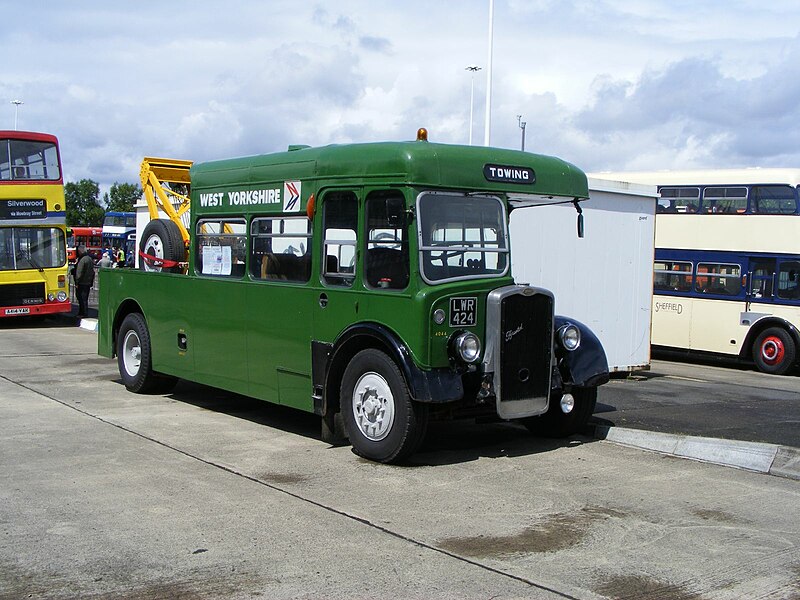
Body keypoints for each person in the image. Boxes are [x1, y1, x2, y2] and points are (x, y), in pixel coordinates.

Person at [73, 245, 95, 318]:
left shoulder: (82, 260)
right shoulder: (89, 259)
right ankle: (84, 312)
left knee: (81, 298)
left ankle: (82, 313)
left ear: (79, 251)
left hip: (82, 282)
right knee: (85, 298)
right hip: (88, 282)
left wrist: (77, 282)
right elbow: (93, 272)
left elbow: (79, 272)